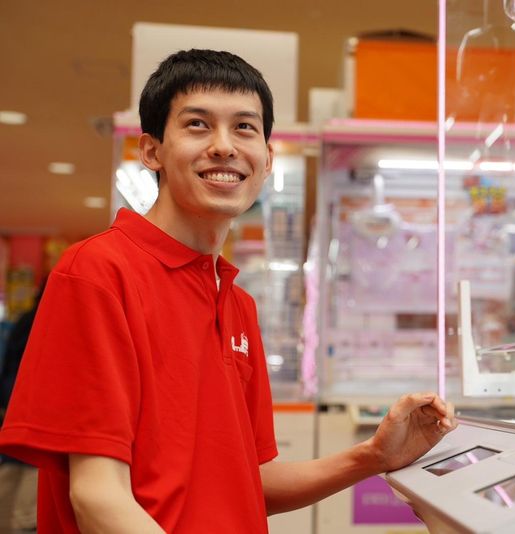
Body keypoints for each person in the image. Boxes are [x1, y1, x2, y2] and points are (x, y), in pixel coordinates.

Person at [0, 49, 456, 533]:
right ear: (151, 151)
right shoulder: (98, 272)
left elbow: (250, 482)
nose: (223, 146)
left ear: (267, 159)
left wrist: (373, 456)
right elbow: (97, 496)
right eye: (197, 125)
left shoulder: (237, 302)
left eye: (244, 127)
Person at [0, 283, 44, 533]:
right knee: (26, 513)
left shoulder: (24, 320)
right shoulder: (46, 320)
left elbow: (7, 367)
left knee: (9, 480)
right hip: (35, 417)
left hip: (14, 413)